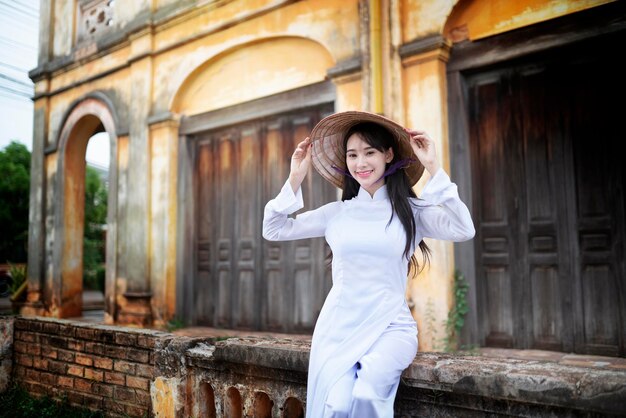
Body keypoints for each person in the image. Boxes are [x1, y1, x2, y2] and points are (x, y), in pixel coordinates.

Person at [262, 110, 475, 417]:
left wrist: (433, 167)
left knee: (367, 394)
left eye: (369, 152)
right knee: (336, 405)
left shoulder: (411, 211)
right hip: (339, 328)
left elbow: (464, 229)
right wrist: (295, 177)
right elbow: (274, 229)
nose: (360, 163)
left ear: (389, 155)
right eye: (352, 155)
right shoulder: (337, 213)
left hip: (391, 326)